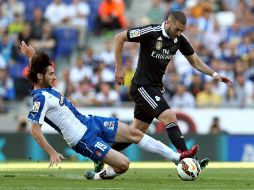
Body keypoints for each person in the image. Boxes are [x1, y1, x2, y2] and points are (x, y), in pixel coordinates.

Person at [20, 41, 199, 180]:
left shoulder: (43, 83)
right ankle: (99, 175)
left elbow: (37, 70)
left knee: (134, 134)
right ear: (40, 77)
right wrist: (51, 152)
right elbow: (35, 130)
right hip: (82, 139)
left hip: (90, 121)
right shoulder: (40, 99)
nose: (55, 76)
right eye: (51, 74)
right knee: (124, 165)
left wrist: (31, 56)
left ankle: (178, 158)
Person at [94, 11, 233, 172]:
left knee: (136, 133)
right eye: (177, 29)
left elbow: (194, 60)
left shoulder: (179, 39)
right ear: (168, 23)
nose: (179, 33)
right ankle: (187, 158)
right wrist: (119, 66)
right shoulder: (151, 32)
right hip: (142, 86)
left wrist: (215, 75)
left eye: (182, 31)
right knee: (169, 116)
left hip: (154, 87)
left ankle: (101, 154)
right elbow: (119, 37)